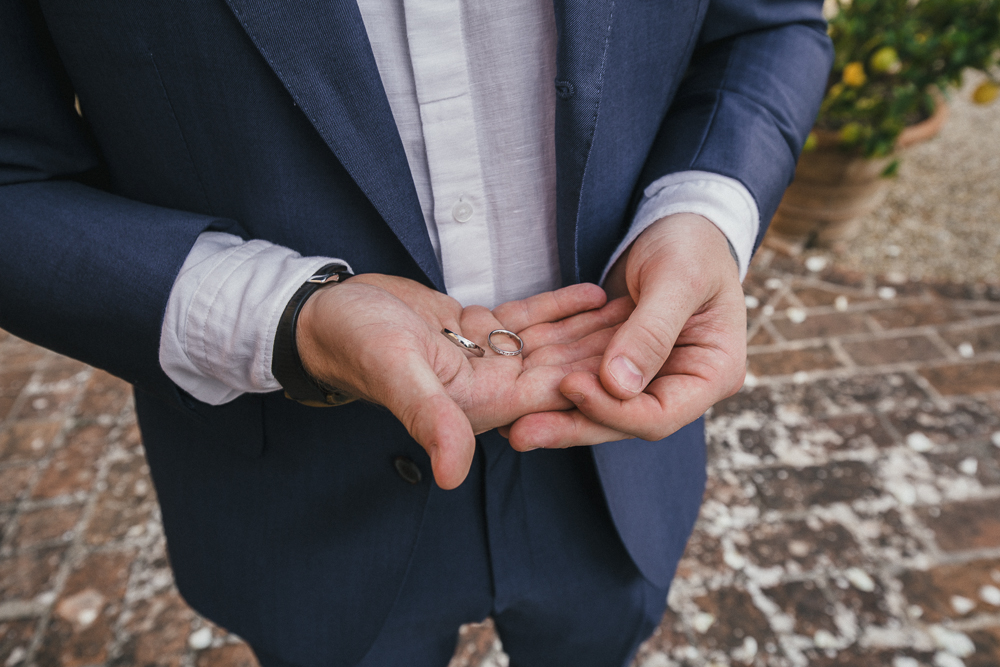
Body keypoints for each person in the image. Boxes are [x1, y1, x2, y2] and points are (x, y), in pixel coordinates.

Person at [0, 1, 832, 665]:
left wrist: (703, 210)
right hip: (291, 490)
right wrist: (286, 315)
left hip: (613, 452)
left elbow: (767, 29)